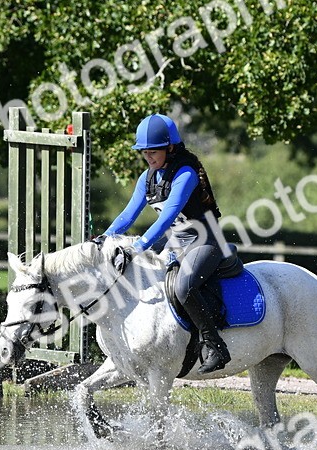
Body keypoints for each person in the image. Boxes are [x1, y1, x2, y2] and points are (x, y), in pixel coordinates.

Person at [99, 113, 232, 374]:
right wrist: (103, 238)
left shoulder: (186, 173)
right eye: (144, 152)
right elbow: (128, 216)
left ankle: (216, 346)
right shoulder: (147, 178)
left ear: (170, 148)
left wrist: (138, 247)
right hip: (177, 245)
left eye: (153, 151)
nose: (148, 157)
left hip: (206, 243)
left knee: (184, 286)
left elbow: (167, 217)